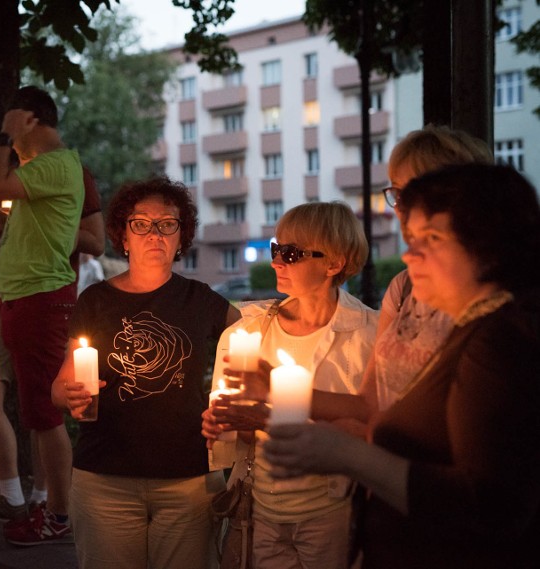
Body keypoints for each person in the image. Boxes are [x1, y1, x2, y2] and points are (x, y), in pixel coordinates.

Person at [263, 164, 540, 568]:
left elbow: (493, 504)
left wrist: (348, 455)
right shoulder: (474, 330)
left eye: (431, 238)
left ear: (489, 243)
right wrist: (362, 435)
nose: (410, 254)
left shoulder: (499, 342)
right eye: (411, 237)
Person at [52, 176, 241, 568]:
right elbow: (59, 386)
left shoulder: (199, 299)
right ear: (123, 235)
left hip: (188, 481)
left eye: (167, 224)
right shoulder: (96, 301)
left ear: (180, 238)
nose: (154, 233)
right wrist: (68, 394)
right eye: (141, 223)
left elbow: (255, 336)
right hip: (105, 481)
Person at [203, 201, 377, 569]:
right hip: (264, 507)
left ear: (334, 263)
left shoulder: (371, 337)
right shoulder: (246, 335)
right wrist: (226, 425)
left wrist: (266, 419)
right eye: (275, 248)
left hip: (335, 508)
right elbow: (238, 440)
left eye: (292, 253)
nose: (276, 261)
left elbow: (377, 431)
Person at [0, 165, 104, 524]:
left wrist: (35, 226)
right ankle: (11, 496)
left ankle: (44, 498)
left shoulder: (68, 173)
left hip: (44, 300)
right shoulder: (4, 177)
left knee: (40, 405)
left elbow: (96, 243)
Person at [0, 86, 83, 545]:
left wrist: (3, 139)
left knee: (44, 415)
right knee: (37, 413)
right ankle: (46, 507)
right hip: (22, 298)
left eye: (13, 121)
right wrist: (0, 230)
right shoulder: (42, 172)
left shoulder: (56, 164)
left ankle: (60, 514)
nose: (9, 135)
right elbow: (6, 244)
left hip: (41, 300)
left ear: (31, 120)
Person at [363, 124, 493, 417]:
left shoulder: (498, 302)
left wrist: (360, 451)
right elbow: (369, 403)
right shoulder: (405, 286)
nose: (399, 206)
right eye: (396, 191)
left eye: (413, 191)